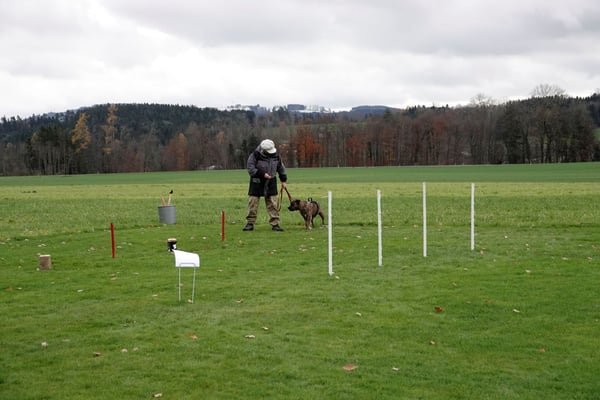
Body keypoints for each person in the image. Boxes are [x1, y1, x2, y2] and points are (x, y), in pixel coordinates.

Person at [243, 139, 287, 231]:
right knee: (253, 203)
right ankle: (250, 223)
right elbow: (250, 169)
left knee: (273, 204)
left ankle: (275, 224)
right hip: (256, 182)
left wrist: (283, 180)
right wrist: (262, 174)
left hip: (271, 181)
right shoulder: (254, 155)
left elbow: (281, 168)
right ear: (263, 150)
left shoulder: (276, 156)